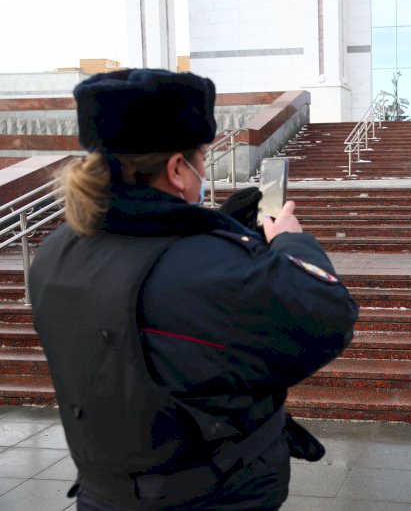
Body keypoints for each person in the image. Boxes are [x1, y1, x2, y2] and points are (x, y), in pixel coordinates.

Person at [29, 68, 359, 510]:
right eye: (201, 157)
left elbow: (153, 308)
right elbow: (324, 317)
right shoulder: (200, 267)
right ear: (177, 169)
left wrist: (218, 231)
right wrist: (288, 241)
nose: (204, 169)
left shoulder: (56, 250)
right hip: (207, 496)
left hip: (104, 492)